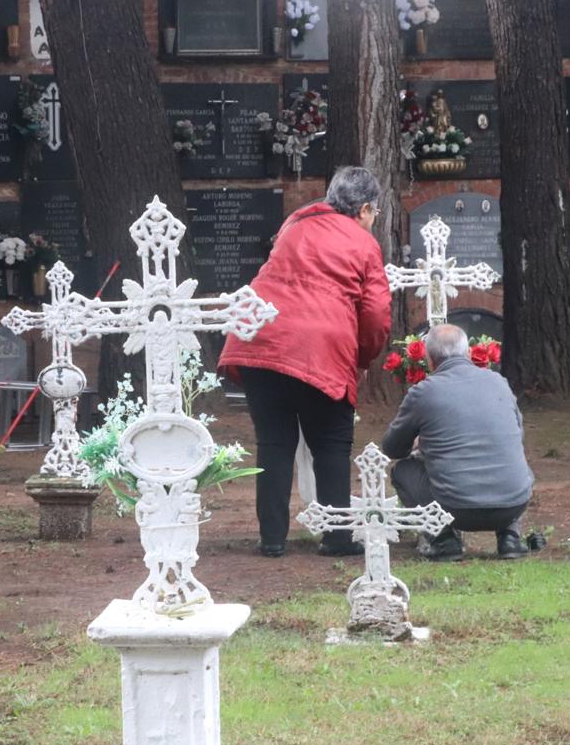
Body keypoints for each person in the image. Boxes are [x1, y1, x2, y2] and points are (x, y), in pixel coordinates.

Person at [219, 166, 392, 558]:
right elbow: (377, 313)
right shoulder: (364, 245)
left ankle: (273, 539)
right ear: (364, 208)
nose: (373, 221)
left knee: (274, 443)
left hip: (261, 338)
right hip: (320, 347)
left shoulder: (295, 223)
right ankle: (336, 536)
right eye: (374, 214)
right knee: (331, 443)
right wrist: (361, 357)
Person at [381, 323, 533, 561]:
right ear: (468, 353)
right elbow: (517, 435)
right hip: (513, 502)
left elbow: (392, 448)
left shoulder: (424, 391)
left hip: (454, 508)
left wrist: (422, 442)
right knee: (508, 460)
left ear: (430, 360)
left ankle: (444, 539)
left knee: (403, 471)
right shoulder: (498, 382)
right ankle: (510, 538)